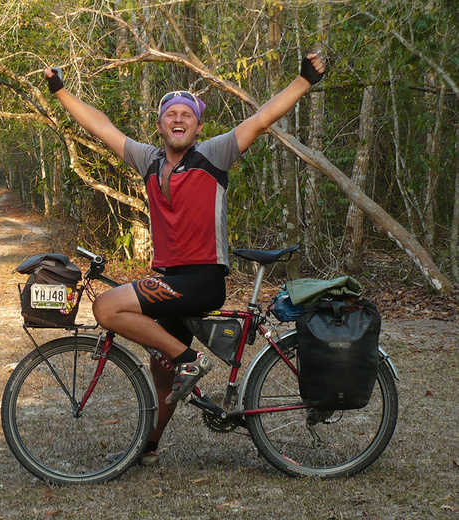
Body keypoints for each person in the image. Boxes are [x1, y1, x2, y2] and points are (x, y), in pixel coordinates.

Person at [43, 53, 325, 465]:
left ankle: (191, 360)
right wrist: (61, 91)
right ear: (160, 125)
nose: (178, 120)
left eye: (186, 115)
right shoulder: (149, 160)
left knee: (106, 306)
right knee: (162, 371)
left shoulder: (216, 154)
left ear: (198, 126)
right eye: (170, 114)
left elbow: (262, 119)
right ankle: (151, 446)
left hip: (202, 280)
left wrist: (304, 80)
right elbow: (100, 125)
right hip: (169, 282)